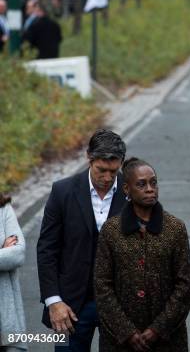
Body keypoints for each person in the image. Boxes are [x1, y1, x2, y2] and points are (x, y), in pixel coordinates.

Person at [37, 129, 127, 351]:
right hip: (69, 306)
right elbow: (47, 249)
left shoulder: (133, 190)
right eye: (101, 170)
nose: (107, 178)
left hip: (121, 305)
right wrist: (53, 301)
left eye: (113, 172)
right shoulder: (62, 191)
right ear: (89, 157)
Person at [95, 158, 190, 351]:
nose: (150, 189)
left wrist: (157, 329)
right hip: (120, 342)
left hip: (167, 340)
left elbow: (184, 285)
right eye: (141, 184)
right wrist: (127, 332)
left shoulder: (175, 228)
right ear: (126, 190)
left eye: (153, 182)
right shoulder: (111, 230)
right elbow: (102, 285)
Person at [0, 194, 27, 352]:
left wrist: (7, 252)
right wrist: (3, 252)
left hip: (5, 318)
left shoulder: (3, 209)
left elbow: (18, 254)